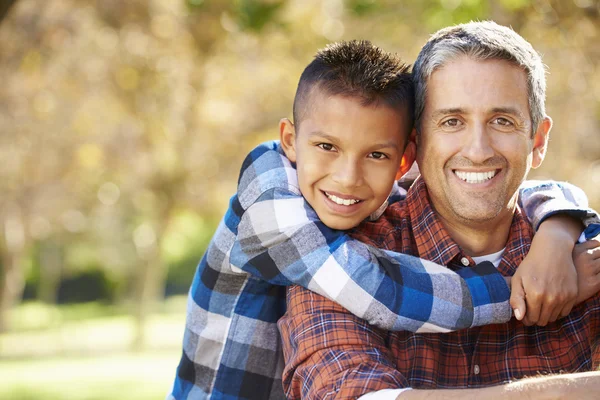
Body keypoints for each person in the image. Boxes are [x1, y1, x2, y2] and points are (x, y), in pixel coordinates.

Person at [168, 40, 598, 400]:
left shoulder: (578, 244)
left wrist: (560, 229)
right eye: (452, 121)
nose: (478, 149)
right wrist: (516, 293)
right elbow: (382, 291)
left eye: (502, 121)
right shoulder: (293, 217)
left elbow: (526, 188)